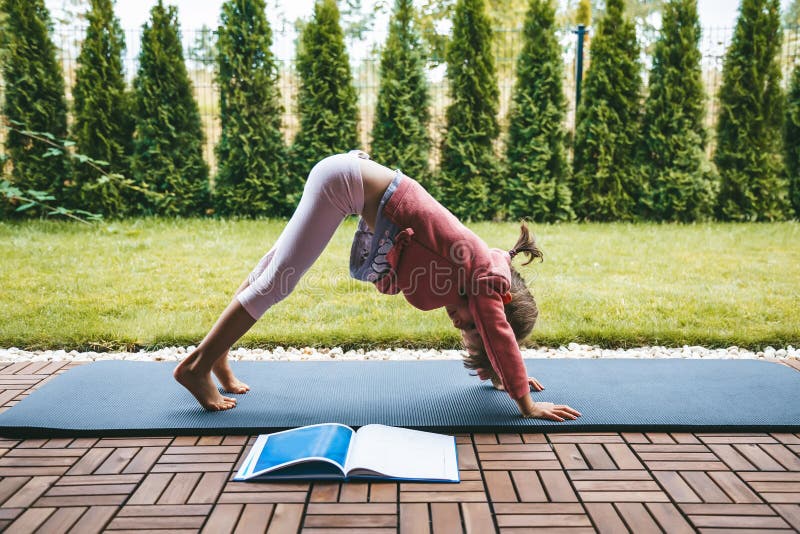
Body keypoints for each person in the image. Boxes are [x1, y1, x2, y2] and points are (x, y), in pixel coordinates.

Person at [174, 151, 581, 422]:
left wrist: (504, 375)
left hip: (348, 175)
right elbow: (496, 332)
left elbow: (493, 335)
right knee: (277, 282)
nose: (461, 326)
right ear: (498, 304)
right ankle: (194, 367)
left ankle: (216, 358)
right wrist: (525, 402)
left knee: (271, 271)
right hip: (344, 182)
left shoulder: (477, 269)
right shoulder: (484, 279)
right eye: (469, 326)